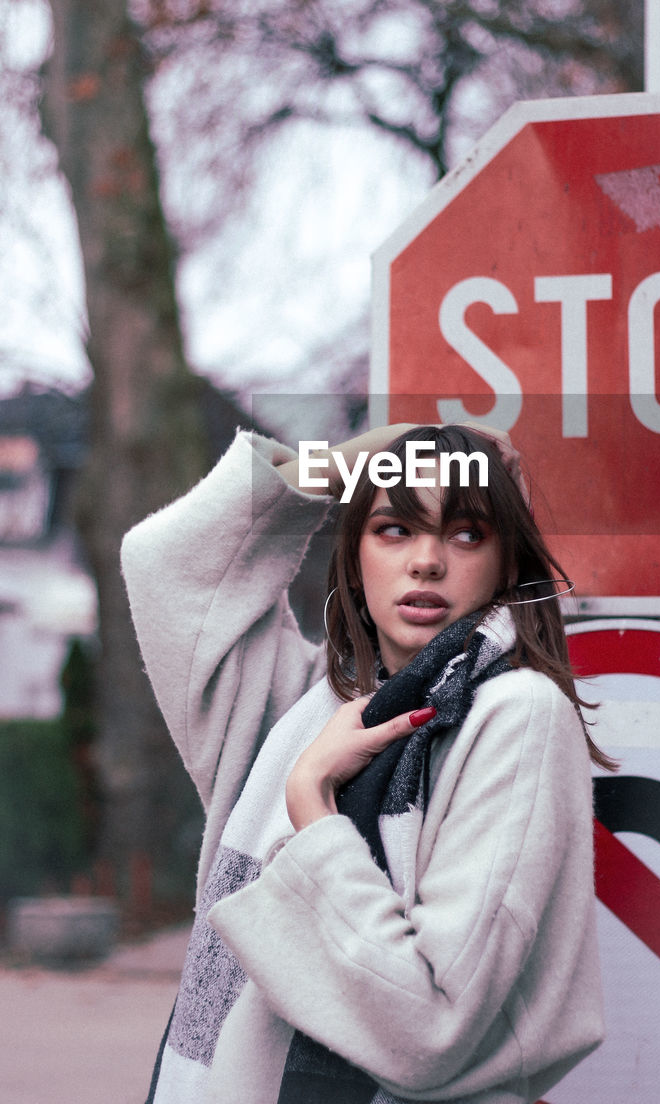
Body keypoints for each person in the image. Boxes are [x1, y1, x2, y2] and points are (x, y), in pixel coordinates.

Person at [121, 421, 607, 1104]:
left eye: (467, 534)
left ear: (507, 565)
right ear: (352, 558)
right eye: (394, 529)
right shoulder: (302, 702)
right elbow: (163, 560)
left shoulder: (514, 715)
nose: (427, 561)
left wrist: (313, 807)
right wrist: (379, 451)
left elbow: (427, 1031)